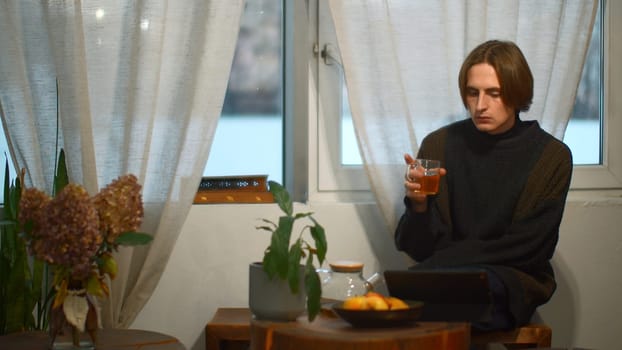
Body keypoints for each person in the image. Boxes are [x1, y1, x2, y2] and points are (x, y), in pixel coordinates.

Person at [394, 40, 573, 330]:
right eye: (472, 93)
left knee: (450, 297)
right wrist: (418, 206)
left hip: (511, 278)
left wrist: (442, 263)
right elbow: (417, 248)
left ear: (517, 93)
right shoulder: (437, 145)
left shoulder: (551, 156)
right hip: (445, 275)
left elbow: (530, 248)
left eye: (494, 93)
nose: (480, 105)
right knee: (387, 299)